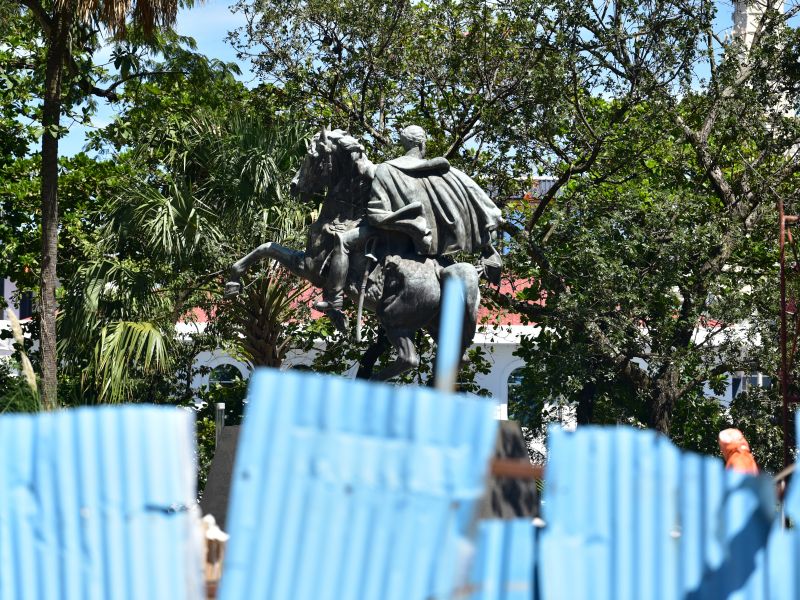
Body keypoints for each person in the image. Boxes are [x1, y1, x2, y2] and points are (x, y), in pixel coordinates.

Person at [315, 125, 503, 329]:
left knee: (342, 241)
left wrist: (403, 222)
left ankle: (334, 301)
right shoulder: (445, 173)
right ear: (423, 144)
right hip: (430, 243)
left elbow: (376, 213)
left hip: (393, 234)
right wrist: (488, 248)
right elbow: (480, 204)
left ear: (403, 143)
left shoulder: (387, 169)